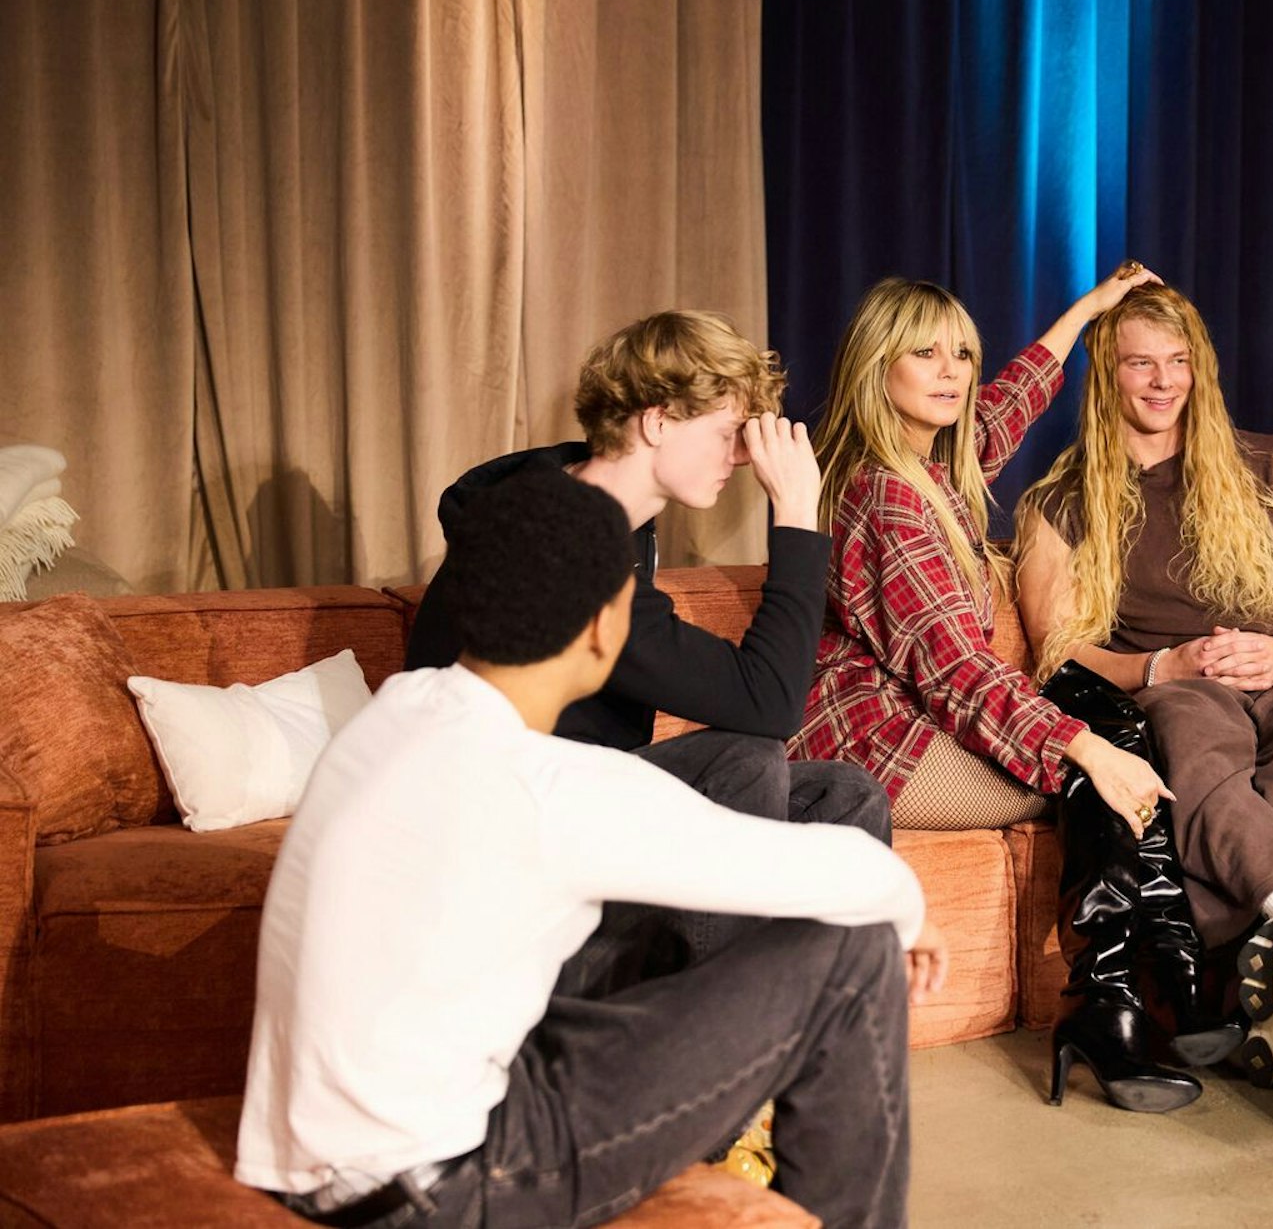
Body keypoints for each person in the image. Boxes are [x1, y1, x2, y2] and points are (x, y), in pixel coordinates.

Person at [237, 470, 944, 1229]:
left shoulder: (398, 711)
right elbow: (843, 873)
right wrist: (909, 912)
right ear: (609, 625)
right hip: (441, 1191)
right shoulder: (549, 789)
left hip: (323, 1152)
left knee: (830, 802)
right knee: (855, 954)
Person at [795, 265, 1237, 1111]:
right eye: (924, 353)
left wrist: (1089, 310)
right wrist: (1083, 750)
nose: (952, 370)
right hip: (869, 737)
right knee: (1092, 768)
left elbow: (1008, 400)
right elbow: (956, 671)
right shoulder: (884, 494)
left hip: (912, 716)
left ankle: (1146, 979)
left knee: (1112, 723)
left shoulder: (934, 466)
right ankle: (1122, 996)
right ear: (877, 367)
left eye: (961, 351)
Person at [405, 310, 889, 964]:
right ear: (657, 420)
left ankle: (804, 1019)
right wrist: (799, 516)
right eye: (726, 432)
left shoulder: (594, 507)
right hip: (513, 830)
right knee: (745, 763)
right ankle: (698, 1032)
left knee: (845, 796)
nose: (741, 456)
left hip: (581, 798)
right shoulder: (560, 542)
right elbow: (768, 705)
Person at [1014, 281, 1273, 1093]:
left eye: (1178, 362)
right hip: (1175, 682)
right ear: (1106, 377)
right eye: (1140, 364)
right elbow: (1059, 649)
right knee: (1193, 750)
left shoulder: (1271, 464)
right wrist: (1161, 668)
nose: (1162, 381)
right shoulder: (1060, 501)